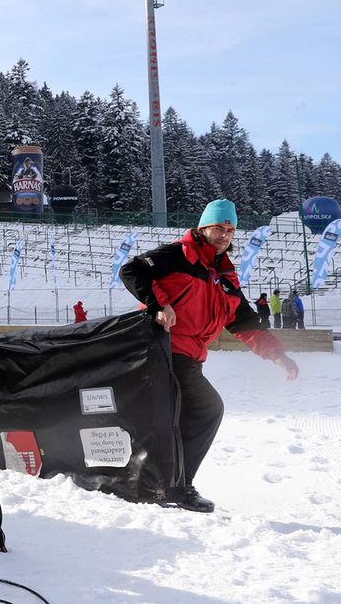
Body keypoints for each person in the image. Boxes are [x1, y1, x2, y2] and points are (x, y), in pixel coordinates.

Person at [120, 199, 298, 514]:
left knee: (177, 417)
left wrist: (278, 355)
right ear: (204, 227)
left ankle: (157, 483)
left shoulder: (225, 278)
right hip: (161, 348)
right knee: (206, 408)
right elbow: (131, 270)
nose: (225, 235)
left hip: (189, 355)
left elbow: (245, 324)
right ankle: (176, 486)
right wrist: (160, 304)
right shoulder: (178, 254)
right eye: (219, 227)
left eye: (230, 229)